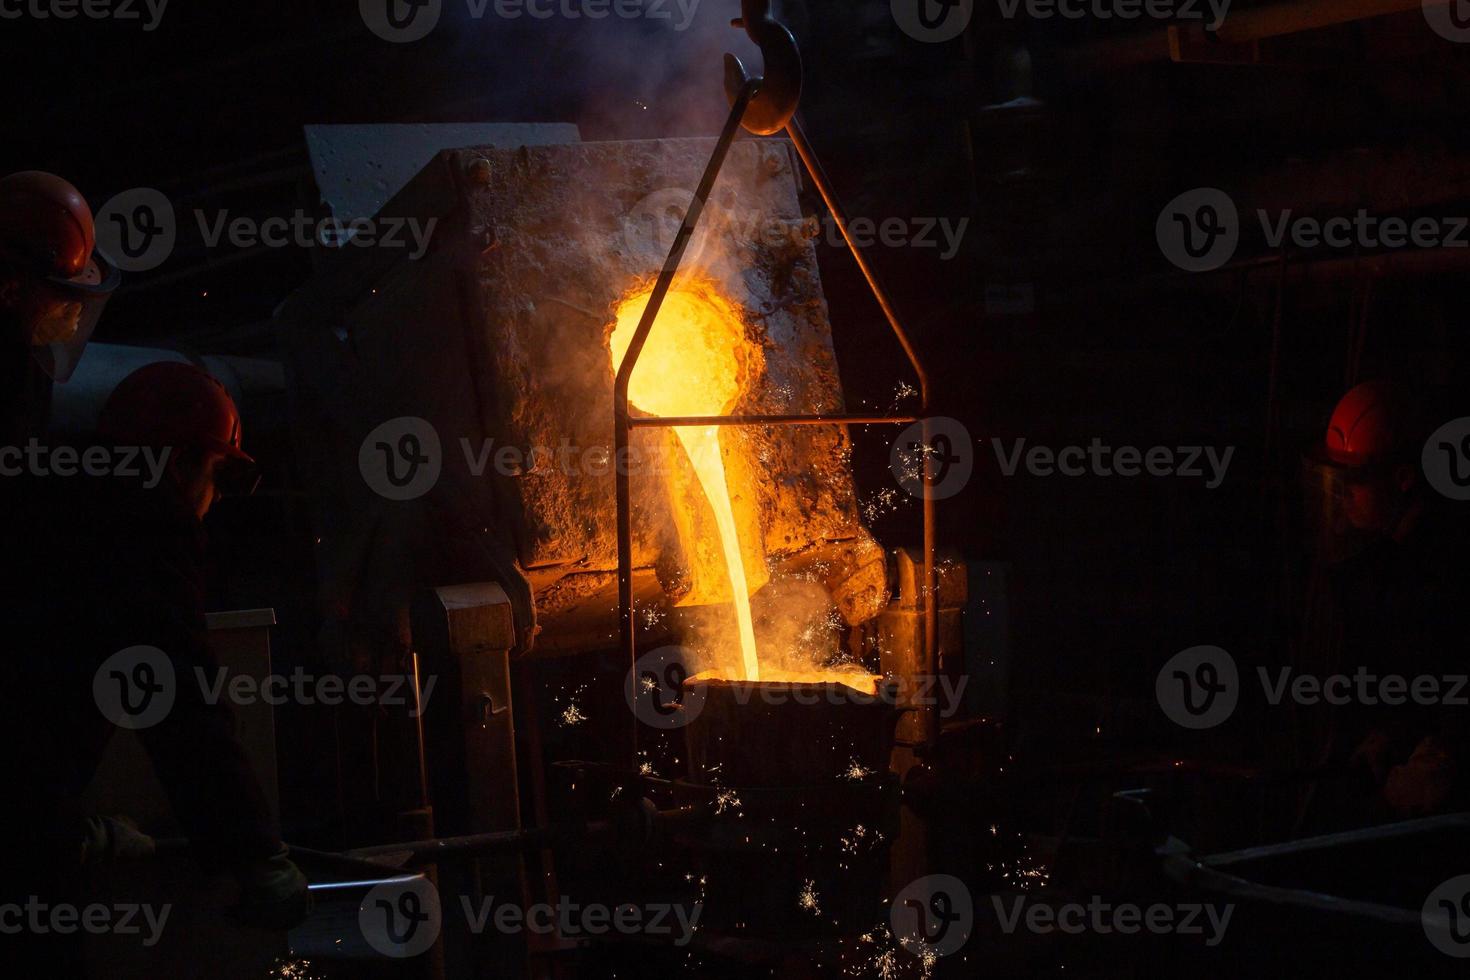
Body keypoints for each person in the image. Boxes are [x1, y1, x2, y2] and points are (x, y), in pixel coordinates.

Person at [3, 362, 306, 968]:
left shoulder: (49, 499)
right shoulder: (144, 523)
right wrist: (250, 849)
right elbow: (178, 697)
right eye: (217, 475)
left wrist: (49, 821)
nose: (212, 499)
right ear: (180, 461)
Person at [1298, 380, 1470, 826]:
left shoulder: (1442, 569)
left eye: (1354, 479)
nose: (1343, 494)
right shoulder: (1391, 561)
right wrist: (1390, 734)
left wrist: (1439, 757)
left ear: (1402, 478)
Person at [0, 170, 118, 444]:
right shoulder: (13, 379)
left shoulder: (24, 363)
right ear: (11, 292)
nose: (77, 312)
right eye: (64, 298)